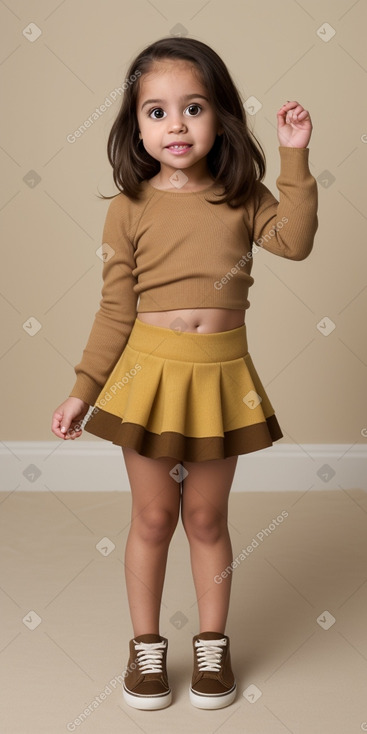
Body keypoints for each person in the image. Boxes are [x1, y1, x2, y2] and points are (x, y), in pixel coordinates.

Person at [51, 36, 318, 711]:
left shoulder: (240, 195)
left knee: (204, 517)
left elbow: (295, 241)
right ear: (134, 125)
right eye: (157, 112)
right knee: (150, 517)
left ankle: (210, 644)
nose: (176, 125)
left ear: (220, 115)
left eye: (192, 108)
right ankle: (145, 649)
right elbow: (115, 310)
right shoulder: (129, 206)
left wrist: (293, 155)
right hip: (148, 381)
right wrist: (83, 390)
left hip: (219, 380)